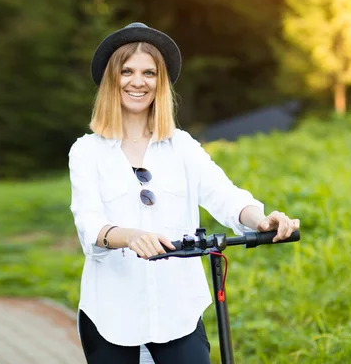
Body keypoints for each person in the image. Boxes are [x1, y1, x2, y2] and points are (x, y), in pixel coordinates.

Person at [68, 22, 300, 364]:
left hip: (178, 310)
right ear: (111, 80)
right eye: (127, 71)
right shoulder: (87, 151)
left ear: (160, 83)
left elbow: (225, 195)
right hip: (111, 313)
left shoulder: (182, 147)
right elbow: (89, 223)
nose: (138, 81)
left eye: (149, 73)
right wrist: (130, 236)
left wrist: (260, 219)